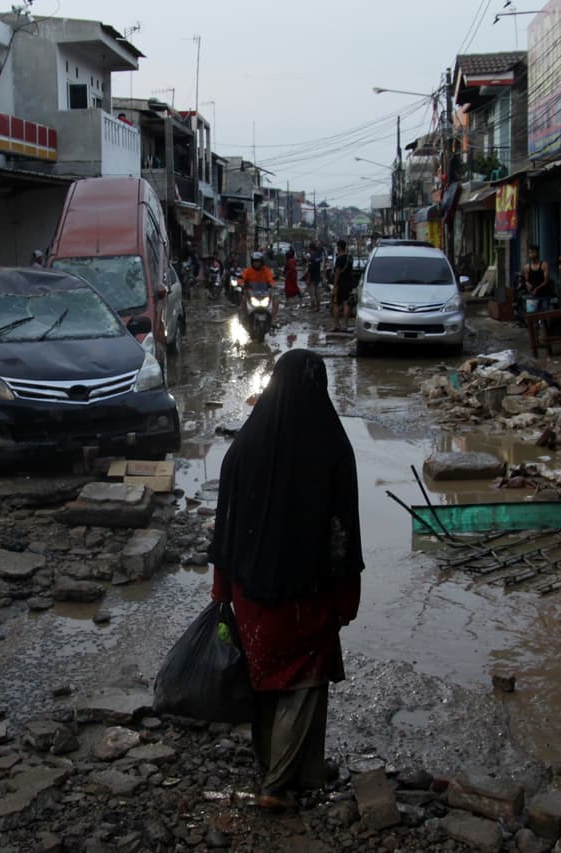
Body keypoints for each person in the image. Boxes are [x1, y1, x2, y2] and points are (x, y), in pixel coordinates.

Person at [208, 349, 365, 811]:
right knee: (305, 681)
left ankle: (282, 767)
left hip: (250, 594)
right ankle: (278, 784)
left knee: (263, 676)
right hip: (307, 596)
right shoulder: (332, 448)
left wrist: (221, 588)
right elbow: (342, 532)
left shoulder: (244, 447)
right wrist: (347, 597)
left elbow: (225, 526)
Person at [240, 251, 278, 323]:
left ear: (261, 262)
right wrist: (242, 284)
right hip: (251, 293)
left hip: (264, 293)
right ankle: (246, 317)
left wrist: (272, 284)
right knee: (243, 299)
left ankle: (273, 319)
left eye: (258, 261)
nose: (256, 263)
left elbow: (271, 279)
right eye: (254, 261)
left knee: (276, 300)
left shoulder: (266, 270)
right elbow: (241, 278)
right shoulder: (248, 271)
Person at [330, 240, 355, 332]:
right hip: (349, 284)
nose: (337, 248)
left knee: (336, 304)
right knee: (347, 304)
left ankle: (336, 325)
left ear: (339, 247)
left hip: (340, 284)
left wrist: (334, 285)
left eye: (337, 246)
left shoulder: (339, 258)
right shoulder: (350, 257)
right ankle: (345, 325)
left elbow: (337, 273)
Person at [306, 243, 324, 311]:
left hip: (312, 277)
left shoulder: (312, 258)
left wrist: (308, 278)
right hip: (317, 276)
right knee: (317, 292)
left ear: (311, 248)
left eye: (309, 248)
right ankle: (318, 306)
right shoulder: (318, 256)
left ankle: (313, 307)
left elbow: (310, 269)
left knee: (312, 293)